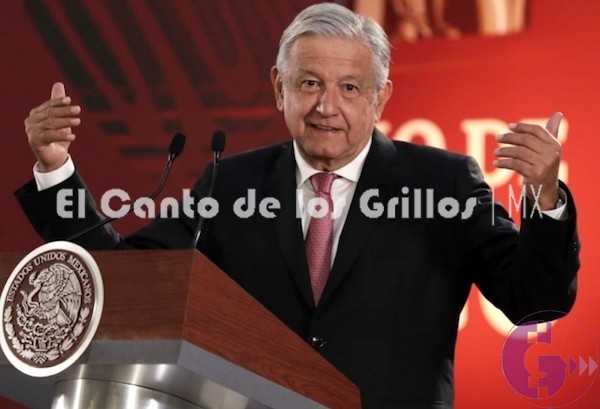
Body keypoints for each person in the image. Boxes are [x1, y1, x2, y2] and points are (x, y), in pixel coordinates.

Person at [17, 3, 579, 408]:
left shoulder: (443, 183)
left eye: (349, 88)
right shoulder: (231, 184)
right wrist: (55, 170)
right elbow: (123, 284)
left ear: (381, 96)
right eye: (309, 83)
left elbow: (536, 301)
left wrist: (545, 196)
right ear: (278, 87)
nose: (326, 107)